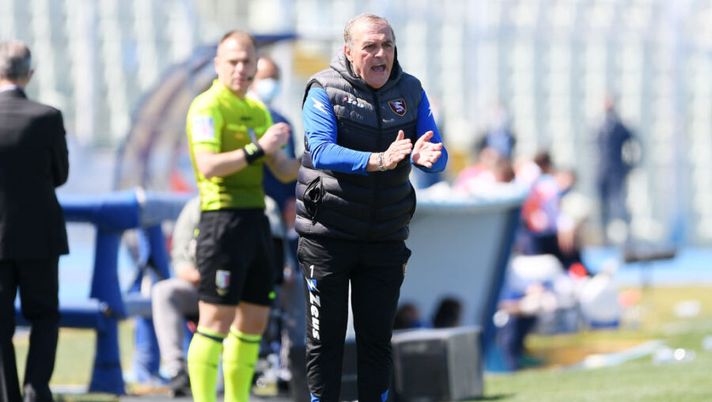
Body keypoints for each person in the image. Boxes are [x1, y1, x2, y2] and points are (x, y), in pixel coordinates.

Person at [296, 14, 448, 402]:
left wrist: (433, 155)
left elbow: (434, 147)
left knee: (377, 342)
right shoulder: (323, 89)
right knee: (325, 344)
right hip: (326, 235)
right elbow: (321, 149)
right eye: (370, 47)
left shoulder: (410, 90)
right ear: (348, 52)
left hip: (384, 237)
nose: (381, 54)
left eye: (387, 45)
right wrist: (377, 160)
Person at [184, 30, 299, 402]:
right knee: (215, 321)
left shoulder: (257, 110)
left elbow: (281, 169)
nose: (240, 69)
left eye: (247, 61)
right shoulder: (208, 106)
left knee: (254, 322)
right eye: (232, 61)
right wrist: (258, 149)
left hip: (256, 222)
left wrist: (316, 157)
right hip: (222, 222)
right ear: (218, 64)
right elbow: (208, 165)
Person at [0, 40, 69, 402]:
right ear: (30, 72)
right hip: (40, 235)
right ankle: (36, 390)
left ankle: (7, 393)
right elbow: (60, 174)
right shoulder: (48, 116)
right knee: (44, 316)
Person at [151, 196, 200, 397]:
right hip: (204, 288)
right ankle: (177, 371)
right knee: (163, 291)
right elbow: (181, 264)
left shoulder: (260, 204)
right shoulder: (195, 208)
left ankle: (289, 368)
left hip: (245, 293)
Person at [595, 95, 638, 244]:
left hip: (616, 172)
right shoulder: (598, 125)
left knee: (620, 204)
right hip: (602, 172)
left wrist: (630, 165)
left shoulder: (619, 125)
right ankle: (604, 237)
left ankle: (628, 235)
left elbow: (634, 144)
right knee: (603, 206)